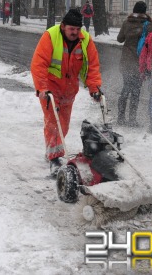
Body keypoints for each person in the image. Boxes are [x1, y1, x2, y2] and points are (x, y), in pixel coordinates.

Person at [31, 9, 103, 176]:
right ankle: (55, 159)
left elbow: (92, 66)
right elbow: (38, 64)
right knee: (53, 121)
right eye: (71, 29)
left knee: (63, 123)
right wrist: (42, 87)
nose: (75, 32)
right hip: (51, 87)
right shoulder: (50, 36)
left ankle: (51, 151)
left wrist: (94, 88)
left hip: (70, 88)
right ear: (63, 26)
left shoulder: (85, 40)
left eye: (78, 29)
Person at [116, 1, 152, 127]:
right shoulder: (148, 25)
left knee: (125, 89)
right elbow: (150, 44)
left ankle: (120, 118)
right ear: (145, 11)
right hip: (140, 63)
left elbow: (120, 39)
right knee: (136, 92)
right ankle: (132, 119)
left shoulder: (127, 22)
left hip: (126, 61)